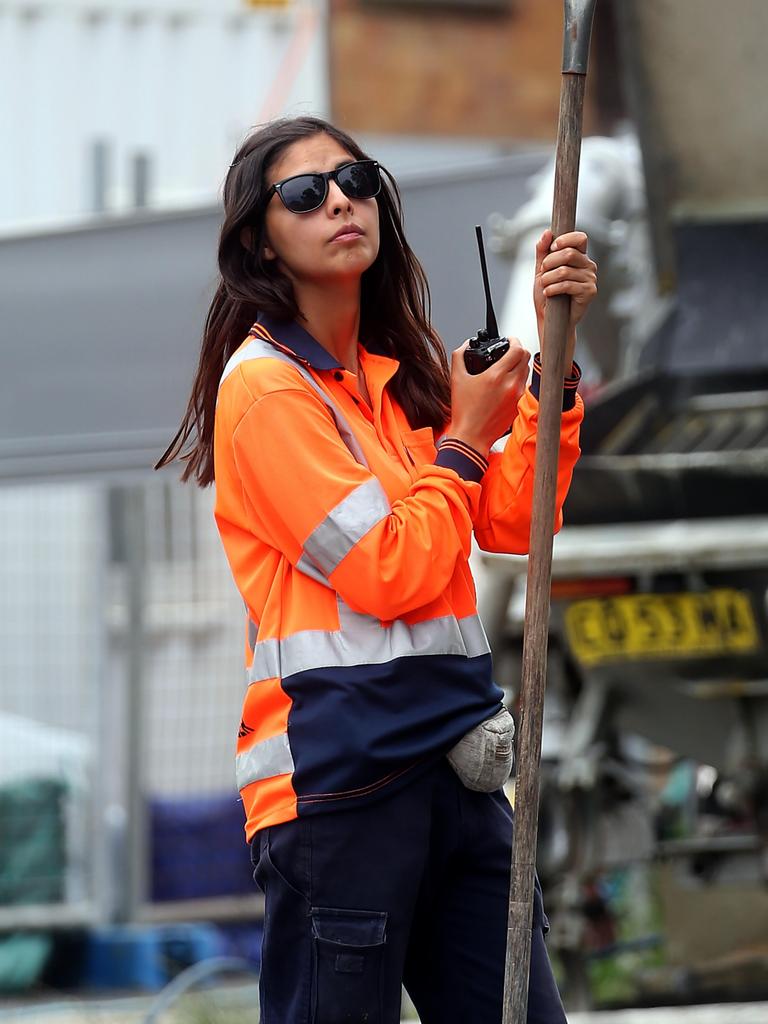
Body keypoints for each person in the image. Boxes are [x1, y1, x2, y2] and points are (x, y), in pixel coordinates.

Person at [157, 115, 597, 1024]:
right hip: (340, 791)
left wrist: (552, 371)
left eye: (354, 179)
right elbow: (388, 569)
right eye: (304, 193)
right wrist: (470, 436)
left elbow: (515, 521)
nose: (340, 202)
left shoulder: (399, 380)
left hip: (456, 775)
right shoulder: (266, 389)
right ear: (260, 240)